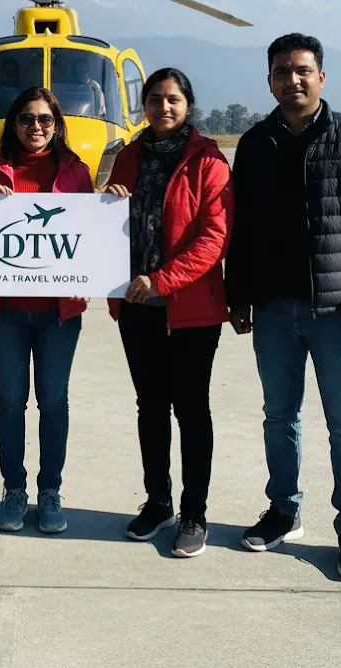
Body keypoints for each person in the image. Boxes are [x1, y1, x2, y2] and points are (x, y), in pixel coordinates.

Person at [226, 33, 341, 581]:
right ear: (270, 81)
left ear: (321, 77)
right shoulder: (254, 143)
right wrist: (238, 295)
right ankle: (284, 509)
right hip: (275, 309)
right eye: (281, 72)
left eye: (302, 70)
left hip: (339, 311)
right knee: (279, 418)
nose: (292, 79)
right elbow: (240, 227)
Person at [104, 68, 233, 557]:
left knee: (191, 409)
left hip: (191, 310)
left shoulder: (208, 162)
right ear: (144, 106)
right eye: (155, 99)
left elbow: (214, 239)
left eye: (173, 99)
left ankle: (194, 512)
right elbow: (104, 223)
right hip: (138, 308)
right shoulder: (128, 157)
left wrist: (162, 279)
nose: (163, 107)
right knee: (151, 406)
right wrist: (108, 200)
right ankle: (157, 501)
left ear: (188, 105)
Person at [0, 87, 94, 534]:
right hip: (3, 311)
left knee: (54, 401)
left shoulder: (76, 172)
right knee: (10, 400)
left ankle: (51, 488)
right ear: (13, 123)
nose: (36, 127)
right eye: (26, 118)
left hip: (59, 314)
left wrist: (113, 199)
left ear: (58, 124)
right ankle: (14, 487)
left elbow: (90, 234)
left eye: (45, 119)